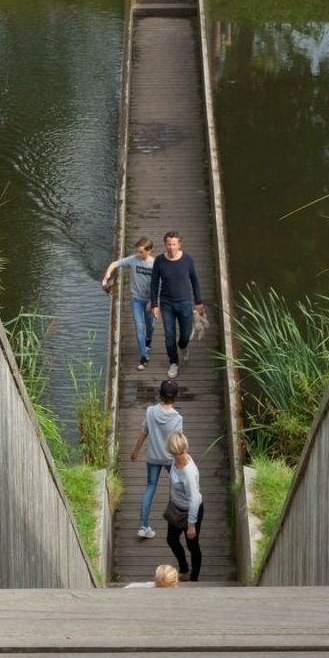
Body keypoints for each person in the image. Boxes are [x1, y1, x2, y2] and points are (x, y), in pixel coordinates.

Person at [148, 231, 206, 380]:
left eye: (174, 244)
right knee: (169, 335)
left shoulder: (187, 260)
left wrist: (198, 301)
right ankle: (173, 362)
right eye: (168, 244)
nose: (171, 247)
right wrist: (154, 304)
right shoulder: (159, 261)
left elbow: (195, 281)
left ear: (179, 244)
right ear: (165, 244)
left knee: (185, 334)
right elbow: (154, 284)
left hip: (185, 302)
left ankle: (183, 346)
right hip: (167, 303)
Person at [130, 379, 183, 539]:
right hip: (170, 459)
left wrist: (135, 452)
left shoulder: (150, 411)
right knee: (176, 486)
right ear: (175, 397)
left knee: (150, 488)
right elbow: (178, 444)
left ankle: (143, 526)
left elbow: (143, 433)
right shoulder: (177, 418)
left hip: (153, 457)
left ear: (160, 394)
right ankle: (178, 521)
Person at [101, 236, 156, 370]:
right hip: (136, 299)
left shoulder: (156, 264)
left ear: (149, 251)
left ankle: (148, 339)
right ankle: (143, 357)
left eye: (141, 252)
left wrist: (154, 302)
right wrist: (106, 276)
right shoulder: (133, 260)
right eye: (137, 251)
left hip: (150, 300)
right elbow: (114, 264)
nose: (138, 254)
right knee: (139, 327)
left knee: (150, 326)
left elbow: (161, 283)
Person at [163, 431, 203, 582]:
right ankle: (184, 568)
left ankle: (194, 578)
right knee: (172, 540)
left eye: (171, 451)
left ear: (176, 450)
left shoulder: (188, 472)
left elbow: (193, 499)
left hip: (190, 512)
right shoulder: (176, 460)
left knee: (192, 545)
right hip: (176, 508)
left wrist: (191, 524)